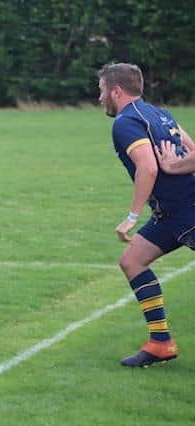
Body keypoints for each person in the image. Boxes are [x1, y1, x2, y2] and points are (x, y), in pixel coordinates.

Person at [98, 62, 195, 367]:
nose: (99, 97)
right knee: (132, 261)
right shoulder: (158, 113)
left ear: (116, 90)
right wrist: (174, 166)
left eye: (101, 90)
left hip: (187, 209)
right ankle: (160, 343)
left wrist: (131, 215)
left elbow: (149, 167)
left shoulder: (125, 122)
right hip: (171, 213)